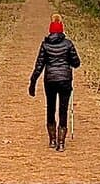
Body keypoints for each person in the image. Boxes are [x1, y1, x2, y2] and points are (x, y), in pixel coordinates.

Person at [27, 12, 81, 151]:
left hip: (50, 80)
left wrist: (33, 82)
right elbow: (76, 63)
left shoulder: (45, 45)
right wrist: (68, 61)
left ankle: (52, 140)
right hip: (65, 80)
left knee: (50, 108)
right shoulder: (68, 44)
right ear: (62, 30)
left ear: (50, 30)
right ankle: (61, 143)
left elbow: (39, 66)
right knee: (63, 110)